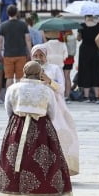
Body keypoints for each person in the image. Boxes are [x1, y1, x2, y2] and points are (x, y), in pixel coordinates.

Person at [0, 61, 73, 196]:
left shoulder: (14, 88)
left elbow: (8, 108)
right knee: (44, 163)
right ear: (39, 73)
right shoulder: (46, 90)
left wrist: (17, 120)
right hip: (42, 127)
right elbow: (52, 112)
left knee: (16, 159)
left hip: (17, 126)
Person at [32, 44, 79, 175]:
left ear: (46, 56)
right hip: (36, 108)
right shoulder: (29, 68)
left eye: (41, 55)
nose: (38, 58)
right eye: (35, 55)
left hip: (55, 108)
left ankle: (59, 168)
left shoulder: (54, 68)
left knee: (57, 136)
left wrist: (49, 81)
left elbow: (62, 89)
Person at [0, 5, 32, 88]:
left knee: (9, 78)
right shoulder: (23, 24)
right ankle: (18, 96)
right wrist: (30, 53)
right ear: (16, 13)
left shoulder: (3, 25)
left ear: (7, 13)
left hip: (8, 54)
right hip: (21, 54)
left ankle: (9, 96)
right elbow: (28, 40)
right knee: (19, 77)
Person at [77, 15, 99, 102]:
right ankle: (97, 96)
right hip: (95, 50)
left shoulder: (82, 25)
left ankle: (86, 96)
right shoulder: (98, 25)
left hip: (85, 50)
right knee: (96, 72)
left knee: (85, 71)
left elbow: (79, 39)